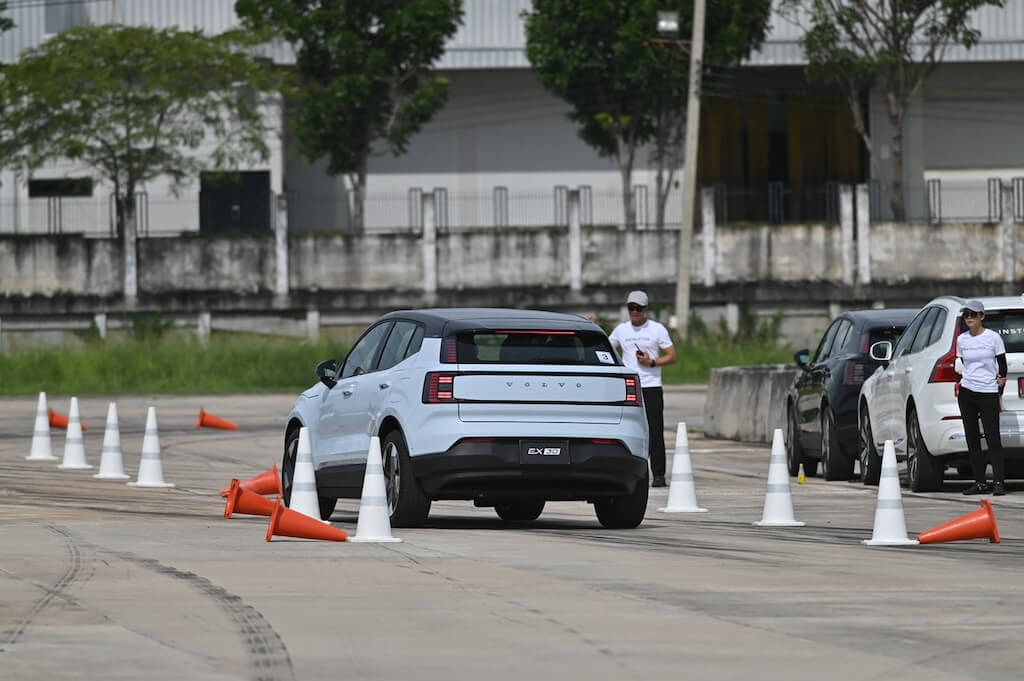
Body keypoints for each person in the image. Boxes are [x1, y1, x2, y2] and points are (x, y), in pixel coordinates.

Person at [608, 290, 677, 487]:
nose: (635, 312)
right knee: (631, 429)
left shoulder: (657, 329)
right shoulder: (621, 330)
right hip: (631, 387)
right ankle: (635, 473)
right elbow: (607, 348)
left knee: (655, 431)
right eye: (631, 308)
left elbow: (672, 355)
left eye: (639, 308)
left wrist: (652, 362)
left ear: (646, 309)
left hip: (652, 386)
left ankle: (659, 475)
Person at [956, 299, 1008, 496]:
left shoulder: (993, 338)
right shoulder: (962, 340)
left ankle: (998, 482)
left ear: (981, 317)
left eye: (973, 314)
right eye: (966, 315)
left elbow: (1002, 367)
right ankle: (979, 482)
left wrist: (999, 394)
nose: (969, 318)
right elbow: (963, 364)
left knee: (993, 438)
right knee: (972, 438)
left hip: (988, 392)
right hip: (967, 391)